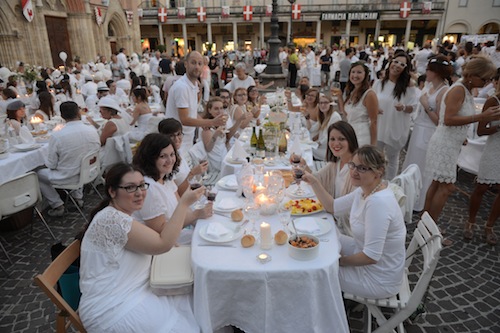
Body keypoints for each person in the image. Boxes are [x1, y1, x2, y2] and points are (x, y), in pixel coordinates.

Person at [79, 163, 202, 333]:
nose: (139, 193)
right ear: (112, 192)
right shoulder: (112, 220)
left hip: (137, 290)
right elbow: (163, 244)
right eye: (130, 188)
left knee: (195, 297)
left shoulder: (119, 215)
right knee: (190, 317)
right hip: (113, 310)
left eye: (141, 186)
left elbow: (157, 241)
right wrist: (183, 204)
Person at [303, 145, 406, 299]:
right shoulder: (365, 189)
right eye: (353, 165)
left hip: (379, 279)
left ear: (378, 171)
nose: (354, 171)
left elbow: (371, 256)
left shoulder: (378, 203)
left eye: (362, 168)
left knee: (315, 271)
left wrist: (339, 261)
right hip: (366, 255)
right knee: (321, 239)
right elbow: (333, 207)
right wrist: (313, 181)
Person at [424, 56, 500, 245]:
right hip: (444, 144)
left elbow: (452, 118)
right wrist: (481, 116)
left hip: (450, 142)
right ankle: (430, 230)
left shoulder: (465, 89)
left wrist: (461, 134)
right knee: (446, 187)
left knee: (436, 184)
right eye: (485, 79)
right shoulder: (458, 89)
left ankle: (426, 227)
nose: (487, 83)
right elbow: (448, 119)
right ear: (473, 75)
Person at [132, 134, 212, 244]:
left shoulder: (166, 178)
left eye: (172, 154)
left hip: (180, 230)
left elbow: (181, 208)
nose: (170, 160)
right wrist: (196, 215)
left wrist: (198, 215)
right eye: (163, 156)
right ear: (150, 158)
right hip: (165, 242)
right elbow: (160, 230)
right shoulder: (149, 188)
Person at [402, 56, 452, 212]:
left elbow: (440, 120)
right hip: (418, 128)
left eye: (429, 70)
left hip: (429, 132)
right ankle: (407, 197)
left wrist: (425, 105)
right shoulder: (429, 86)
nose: (426, 72)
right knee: (412, 163)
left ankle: (419, 201)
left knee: (423, 167)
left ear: (436, 72)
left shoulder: (444, 90)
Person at [37, 101, 100, 217]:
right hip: (90, 172)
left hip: (70, 176)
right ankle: (78, 197)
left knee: (37, 174)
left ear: (62, 116)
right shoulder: (91, 130)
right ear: (78, 112)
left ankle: (57, 205)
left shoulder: (57, 136)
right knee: (77, 160)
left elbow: (51, 165)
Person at [165, 51, 226, 152]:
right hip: (177, 140)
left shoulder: (194, 85)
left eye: (199, 63)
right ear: (186, 64)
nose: (197, 67)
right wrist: (211, 122)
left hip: (187, 137)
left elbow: (192, 112)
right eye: (193, 63)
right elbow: (184, 119)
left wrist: (203, 123)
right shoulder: (182, 87)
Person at [373, 52, 418, 180]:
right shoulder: (379, 83)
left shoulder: (408, 86)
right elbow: (370, 101)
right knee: (376, 156)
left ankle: (390, 184)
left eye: (402, 64)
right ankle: (374, 181)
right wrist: (374, 108)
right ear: (390, 62)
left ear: (405, 68)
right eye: (396, 62)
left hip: (396, 126)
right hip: (380, 125)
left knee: (392, 158)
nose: (397, 65)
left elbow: (413, 107)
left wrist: (403, 107)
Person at [467, 77, 500, 245]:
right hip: (493, 149)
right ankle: (471, 222)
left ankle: (489, 226)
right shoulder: (492, 101)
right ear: (496, 82)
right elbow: (480, 130)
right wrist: (498, 127)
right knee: (482, 186)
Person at [158, 118, 208, 196]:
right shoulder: (166, 162)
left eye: (179, 134)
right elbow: (177, 190)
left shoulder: (179, 152)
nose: (176, 139)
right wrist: (193, 173)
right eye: (171, 136)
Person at [335, 61, 378, 146]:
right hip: (351, 134)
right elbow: (345, 113)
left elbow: (374, 121)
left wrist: (373, 145)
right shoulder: (352, 91)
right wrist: (340, 97)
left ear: (365, 75)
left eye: (359, 72)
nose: (355, 75)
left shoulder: (369, 94)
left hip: (362, 136)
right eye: (353, 72)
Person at [200, 97, 231, 172]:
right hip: (214, 162)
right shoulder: (206, 126)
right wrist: (216, 134)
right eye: (216, 109)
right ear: (209, 110)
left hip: (224, 156)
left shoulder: (221, 123)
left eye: (221, 108)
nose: (219, 111)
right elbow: (208, 148)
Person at [311, 94, 342, 161]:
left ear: (330, 104)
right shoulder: (323, 116)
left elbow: (331, 136)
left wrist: (318, 143)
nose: (323, 105)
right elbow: (313, 129)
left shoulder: (335, 117)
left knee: (307, 150)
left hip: (328, 150)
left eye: (326, 103)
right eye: (321, 103)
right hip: (322, 147)